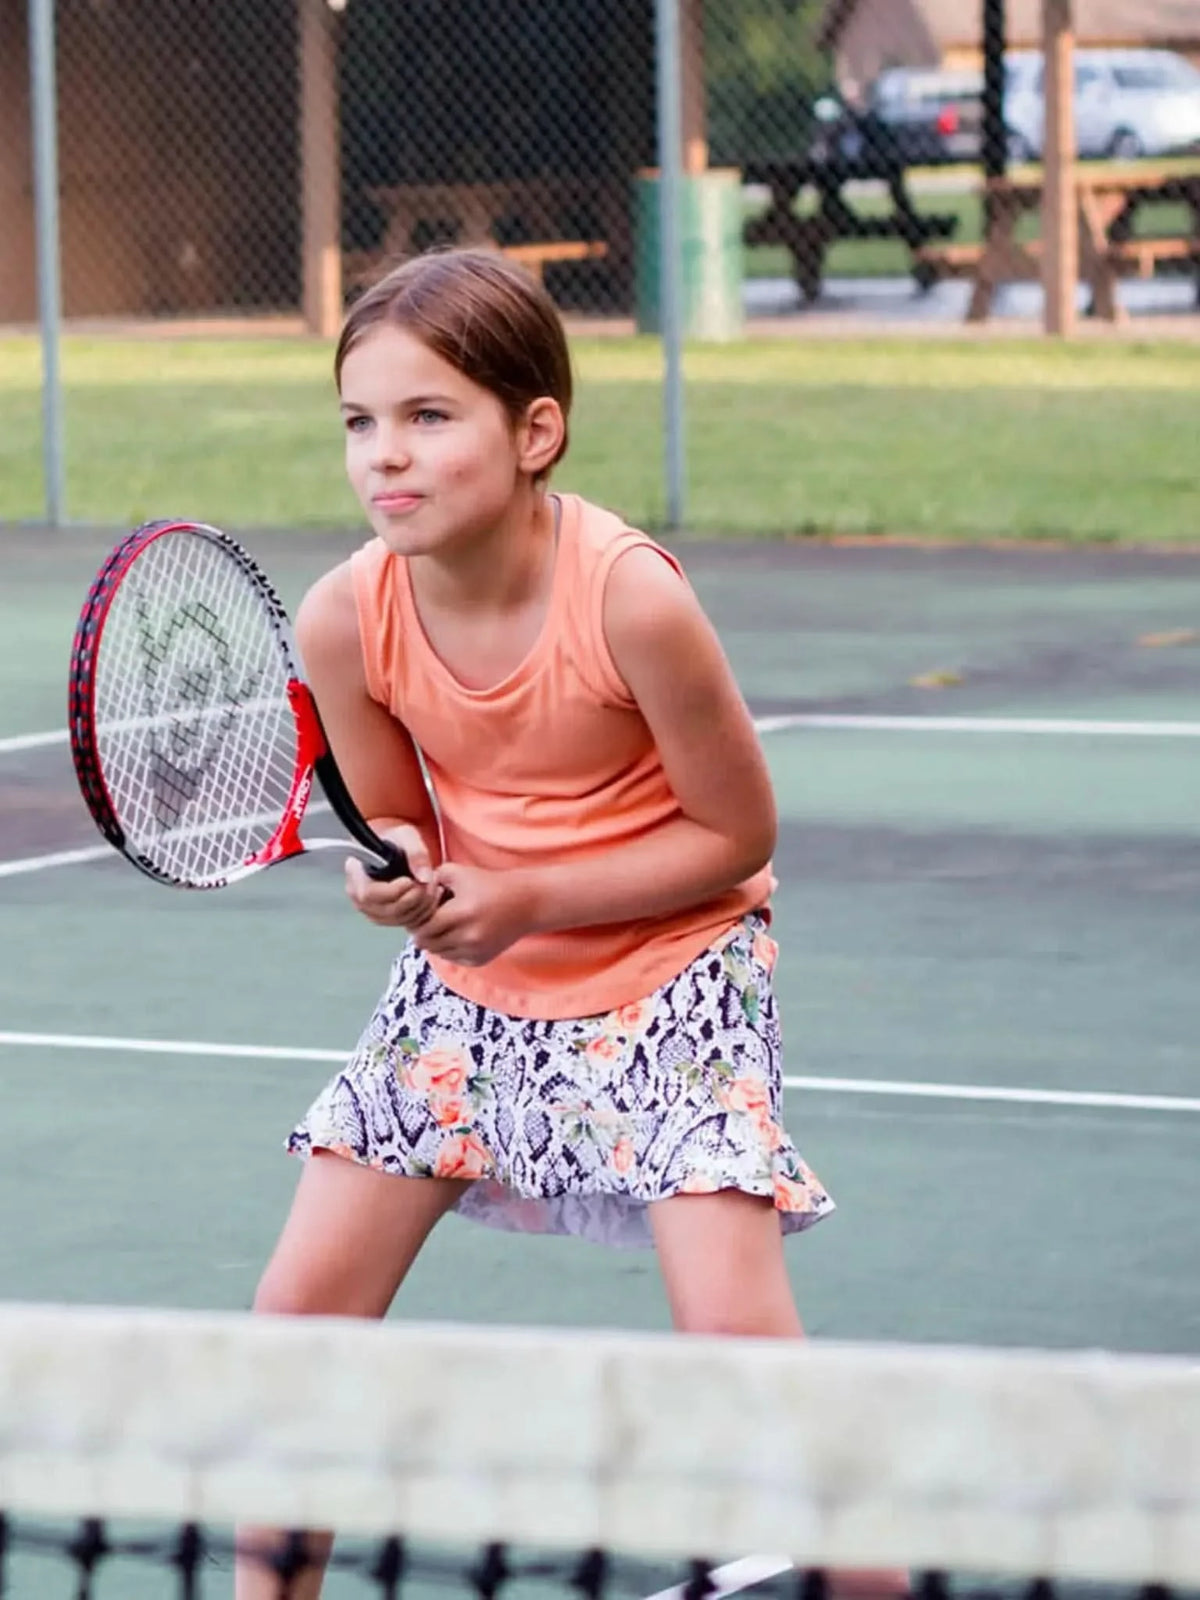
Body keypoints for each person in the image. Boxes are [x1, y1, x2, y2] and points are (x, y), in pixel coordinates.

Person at [237, 248, 844, 1600]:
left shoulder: (631, 598)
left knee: (744, 1346)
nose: (383, 457)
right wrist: (396, 877)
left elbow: (737, 837)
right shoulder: (345, 618)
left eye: (428, 416)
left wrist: (524, 900)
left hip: (676, 972)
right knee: (294, 1333)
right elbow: (401, 824)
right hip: (467, 997)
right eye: (358, 422)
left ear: (535, 433)